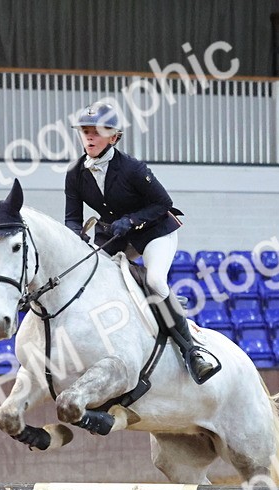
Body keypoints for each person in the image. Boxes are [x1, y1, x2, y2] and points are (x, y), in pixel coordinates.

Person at [64, 102, 220, 385]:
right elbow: (72, 219)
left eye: (97, 132)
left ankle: (192, 352)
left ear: (114, 137)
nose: (89, 137)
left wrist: (133, 220)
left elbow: (164, 203)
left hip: (154, 232)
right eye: (85, 131)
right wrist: (75, 237)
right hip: (114, 234)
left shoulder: (133, 168)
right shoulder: (75, 173)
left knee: (157, 282)